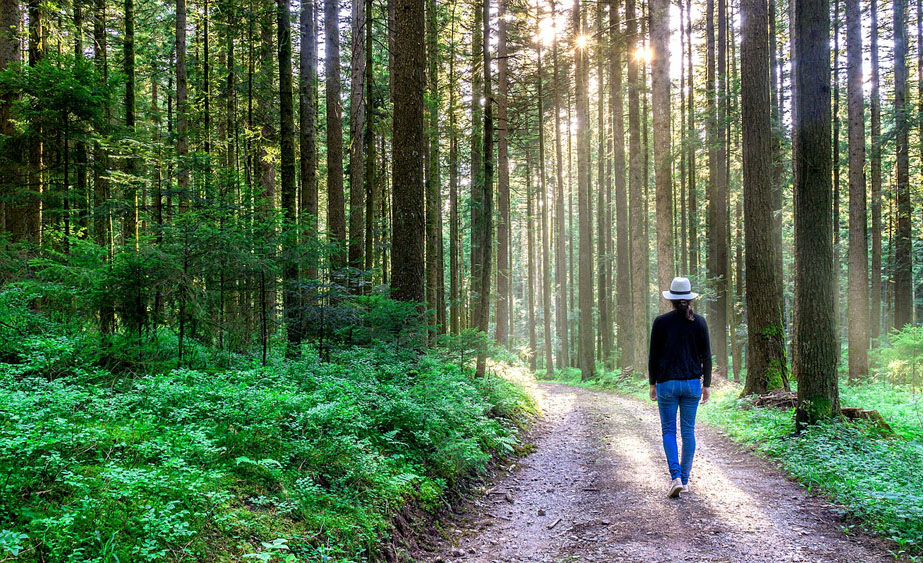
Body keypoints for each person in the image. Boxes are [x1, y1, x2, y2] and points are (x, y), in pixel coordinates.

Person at [648, 276, 712, 498]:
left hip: (667, 383)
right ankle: (684, 481)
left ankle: (675, 477)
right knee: (688, 432)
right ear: (689, 298)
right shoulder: (700, 322)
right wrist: (707, 385)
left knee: (668, 431)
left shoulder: (660, 322)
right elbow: (707, 357)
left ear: (672, 300)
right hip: (692, 384)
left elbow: (653, 356)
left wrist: (652, 384)